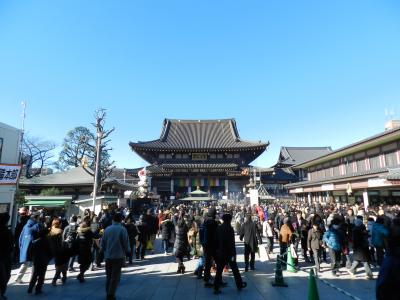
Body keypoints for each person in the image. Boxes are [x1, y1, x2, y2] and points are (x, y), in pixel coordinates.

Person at [214, 213, 247, 295]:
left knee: (219, 271)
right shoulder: (230, 229)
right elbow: (232, 243)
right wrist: (233, 254)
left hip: (221, 253)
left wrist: (217, 250)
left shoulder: (219, 228)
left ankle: (216, 287)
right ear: (229, 220)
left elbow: (216, 241)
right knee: (235, 270)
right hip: (229, 253)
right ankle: (239, 285)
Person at [101, 213, 130, 300]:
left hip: (108, 256)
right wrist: (128, 252)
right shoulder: (122, 229)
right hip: (118, 256)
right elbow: (125, 243)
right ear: (121, 220)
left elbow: (103, 243)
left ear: (112, 220)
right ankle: (111, 294)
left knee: (108, 276)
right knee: (115, 277)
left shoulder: (107, 229)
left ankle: (108, 292)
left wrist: (103, 252)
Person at [14, 212, 41, 283]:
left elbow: (20, 237)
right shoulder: (37, 226)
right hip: (34, 247)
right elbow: (40, 237)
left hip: (25, 247)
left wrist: (21, 247)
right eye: (38, 218)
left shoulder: (26, 226)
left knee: (25, 263)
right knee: (34, 264)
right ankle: (32, 278)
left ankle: (18, 277)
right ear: (36, 218)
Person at [27, 227, 52, 295]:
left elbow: (30, 251)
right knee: (41, 275)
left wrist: (32, 258)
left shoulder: (35, 241)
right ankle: (38, 289)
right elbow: (50, 251)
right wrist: (49, 258)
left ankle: (30, 287)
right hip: (44, 260)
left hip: (36, 259)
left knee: (34, 274)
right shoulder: (47, 241)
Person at [48, 218, 69, 286]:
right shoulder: (60, 231)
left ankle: (63, 277)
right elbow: (61, 242)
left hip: (52, 250)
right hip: (60, 250)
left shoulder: (49, 230)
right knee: (62, 265)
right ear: (59, 224)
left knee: (59, 265)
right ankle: (56, 279)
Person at [201, 207, 219, 287]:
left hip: (206, 245)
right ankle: (219, 279)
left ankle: (206, 279)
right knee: (219, 262)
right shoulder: (213, 223)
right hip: (213, 245)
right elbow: (217, 235)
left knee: (208, 263)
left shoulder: (204, 221)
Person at [0, 213, 13, 300]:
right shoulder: (7, 232)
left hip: (4, 258)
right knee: (4, 277)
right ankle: (1, 293)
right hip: (4, 258)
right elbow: (10, 247)